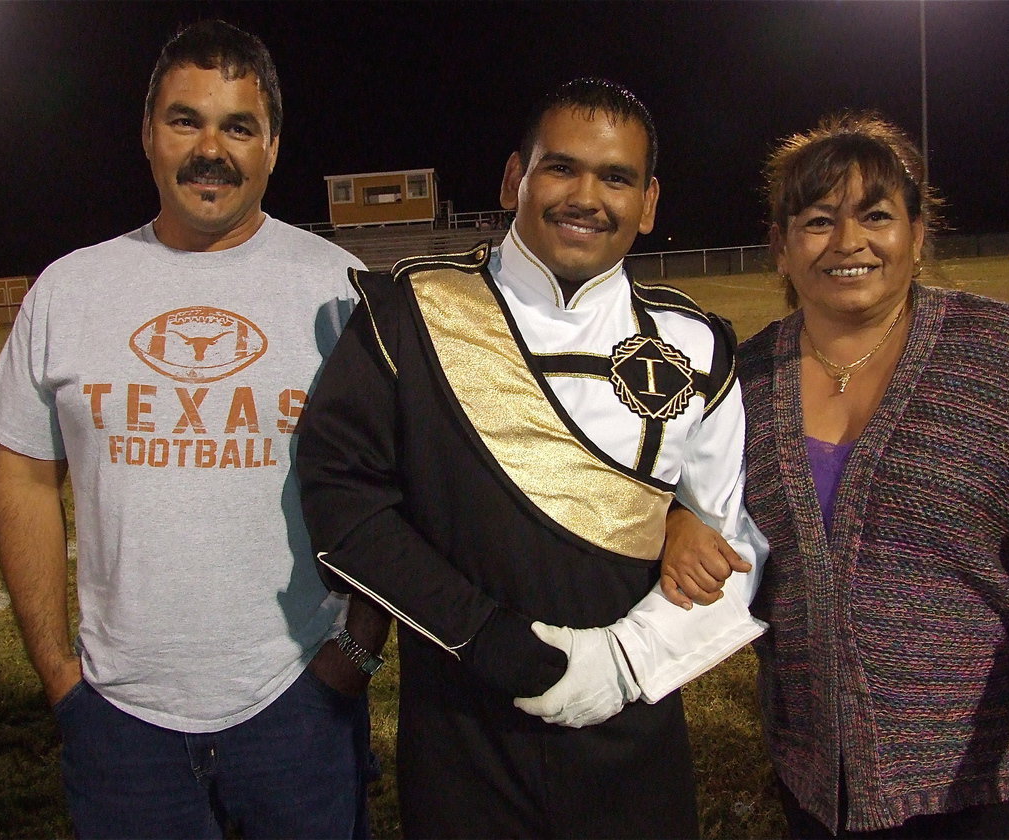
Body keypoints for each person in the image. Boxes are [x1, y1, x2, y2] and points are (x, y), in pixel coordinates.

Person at [296, 77, 769, 838]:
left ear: (647, 204)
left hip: (635, 738)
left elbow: (727, 546)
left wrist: (621, 665)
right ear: (516, 178)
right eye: (562, 168)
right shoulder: (408, 314)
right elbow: (343, 504)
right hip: (460, 737)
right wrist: (490, 642)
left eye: (617, 177)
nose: (587, 195)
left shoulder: (699, 345)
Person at [661, 112, 1009, 839]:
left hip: (986, 785)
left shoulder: (1005, 360)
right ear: (782, 249)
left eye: (876, 216)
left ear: (917, 237)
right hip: (816, 780)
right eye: (818, 221)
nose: (848, 242)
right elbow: (687, 490)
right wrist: (680, 519)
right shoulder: (744, 380)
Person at [0, 20, 390, 839]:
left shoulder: (344, 291)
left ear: (272, 145)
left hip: (299, 704)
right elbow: (21, 468)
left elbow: (394, 486)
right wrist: (59, 675)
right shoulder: (70, 289)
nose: (212, 148)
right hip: (120, 720)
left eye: (238, 126)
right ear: (147, 135)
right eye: (185, 120)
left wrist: (358, 656)